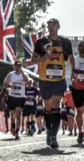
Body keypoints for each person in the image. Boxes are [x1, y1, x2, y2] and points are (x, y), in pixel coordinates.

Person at [31, 18, 73, 149]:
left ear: (58, 26)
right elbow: (33, 60)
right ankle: (49, 130)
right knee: (47, 107)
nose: (51, 27)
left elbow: (71, 59)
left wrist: (74, 72)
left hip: (59, 79)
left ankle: (54, 135)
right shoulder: (40, 42)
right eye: (49, 25)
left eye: (54, 24)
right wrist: (43, 58)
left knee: (56, 106)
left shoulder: (65, 42)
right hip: (44, 79)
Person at [3, 59, 29, 140]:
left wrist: (22, 72)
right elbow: (4, 84)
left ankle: (17, 131)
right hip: (12, 97)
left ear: (21, 66)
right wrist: (11, 86)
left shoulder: (24, 74)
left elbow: (27, 81)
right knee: (12, 115)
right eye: (16, 65)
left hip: (20, 97)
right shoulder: (11, 75)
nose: (18, 67)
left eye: (19, 65)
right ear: (14, 66)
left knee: (18, 114)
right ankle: (13, 127)